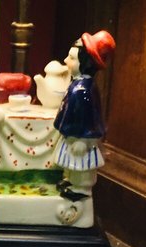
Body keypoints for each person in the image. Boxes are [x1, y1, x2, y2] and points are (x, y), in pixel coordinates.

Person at [53, 30, 115, 202]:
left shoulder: (84, 90)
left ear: (85, 63)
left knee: (82, 166)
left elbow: (90, 119)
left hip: (82, 140)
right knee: (72, 163)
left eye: (72, 58)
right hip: (72, 136)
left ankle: (81, 188)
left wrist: (85, 140)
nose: (66, 60)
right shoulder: (77, 85)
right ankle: (71, 181)